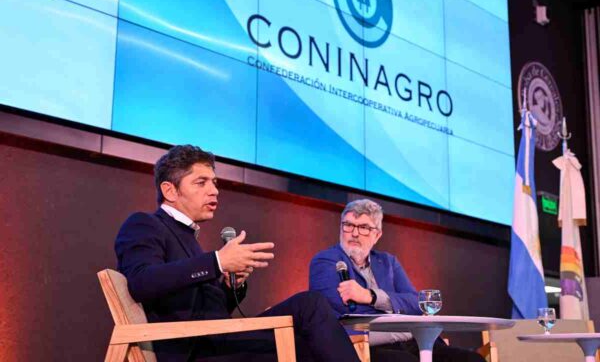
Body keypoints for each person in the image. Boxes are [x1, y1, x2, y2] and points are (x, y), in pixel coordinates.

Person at [115, 145, 360, 362]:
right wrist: (218, 262)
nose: (214, 191)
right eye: (201, 183)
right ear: (170, 191)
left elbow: (208, 310)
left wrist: (231, 287)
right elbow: (140, 282)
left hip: (217, 341)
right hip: (192, 351)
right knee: (310, 315)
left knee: (309, 322)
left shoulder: (189, 237)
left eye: (214, 182)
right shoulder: (145, 224)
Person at [309, 199, 486, 362]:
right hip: (366, 346)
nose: (354, 233)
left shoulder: (388, 262)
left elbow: (416, 303)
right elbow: (344, 311)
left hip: (413, 342)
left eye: (364, 227)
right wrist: (404, 324)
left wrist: (371, 296)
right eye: (348, 225)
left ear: (377, 235)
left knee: (472, 360)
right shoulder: (325, 261)